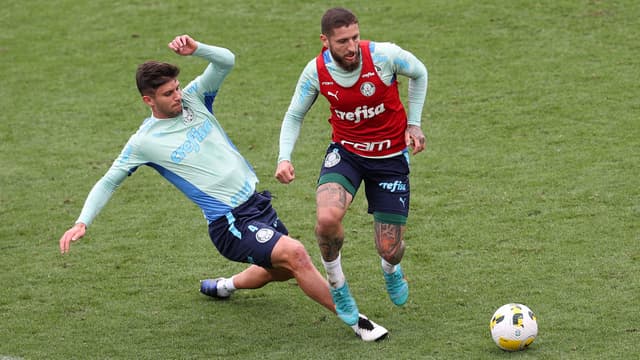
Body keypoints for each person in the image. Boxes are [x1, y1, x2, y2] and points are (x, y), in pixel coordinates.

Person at [58, 34, 388, 342]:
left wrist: (197, 48)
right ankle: (356, 321)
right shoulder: (143, 143)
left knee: (283, 271)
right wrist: (82, 221)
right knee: (296, 254)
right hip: (229, 223)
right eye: (168, 94)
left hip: (258, 206)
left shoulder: (194, 99)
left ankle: (224, 286)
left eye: (176, 88)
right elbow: (108, 181)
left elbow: (226, 61)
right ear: (148, 100)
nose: (177, 96)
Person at [275, 7, 428, 327]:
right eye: (343, 41)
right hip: (347, 155)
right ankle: (338, 285)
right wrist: (284, 157)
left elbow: (420, 72)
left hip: (390, 160)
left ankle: (391, 270)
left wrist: (413, 124)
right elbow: (294, 114)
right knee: (327, 218)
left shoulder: (385, 56)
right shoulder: (316, 71)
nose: (351, 46)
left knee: (390, 249)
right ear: (325, 40)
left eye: (355, 37)